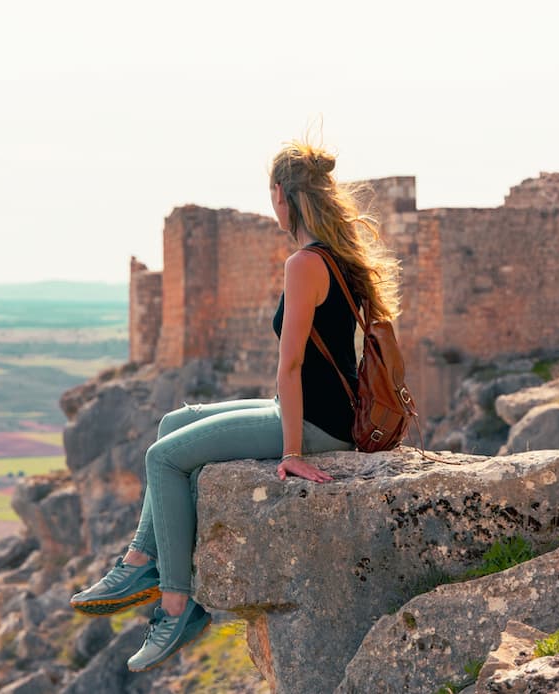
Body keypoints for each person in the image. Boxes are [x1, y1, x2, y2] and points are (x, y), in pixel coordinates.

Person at [69, 140, 402, 672]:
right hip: (327, 411)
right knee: (173, 421)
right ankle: (138, 561)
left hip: (314, 425)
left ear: (281, 196)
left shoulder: (304, 264)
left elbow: (291, 365)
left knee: (162, 458)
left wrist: (291, 451)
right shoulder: (339, 257)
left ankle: (176, 604)